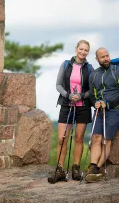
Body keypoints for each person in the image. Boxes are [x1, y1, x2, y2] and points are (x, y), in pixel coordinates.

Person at [55, 40, 94, 181]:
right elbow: (58, 85)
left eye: (86, 50)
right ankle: (59, 169)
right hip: (66, 105)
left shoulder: (89, 68)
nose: (83, 52)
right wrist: (68, 95)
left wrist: (82, 96)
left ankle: (76, 169)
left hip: (83, 107)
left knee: (78, 139)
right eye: (81, 49)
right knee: (62, 139)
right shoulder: (66, 64)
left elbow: (92, 89)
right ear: (76, 49)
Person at [85, 47, 119, 183]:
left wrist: (108, 103)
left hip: (114, 110)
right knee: (96, 137)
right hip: (99, 111)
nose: (106, 59)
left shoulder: (117, 70)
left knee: (106, 140)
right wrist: (96, 104)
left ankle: (96, 168)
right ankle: (93, 167)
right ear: (97, 59)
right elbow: (92, 95)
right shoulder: (93, 75)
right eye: (103, 57)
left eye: (107, 56)